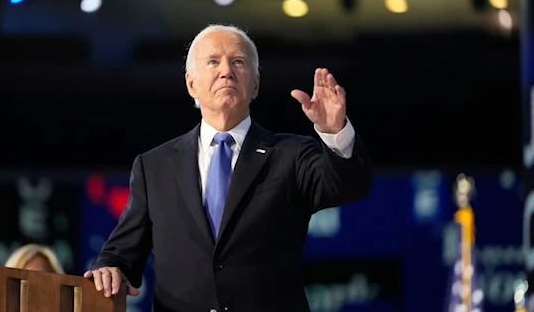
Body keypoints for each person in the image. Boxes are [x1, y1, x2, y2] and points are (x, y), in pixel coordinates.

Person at [84, 24, 373, 312]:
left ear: (256, 84)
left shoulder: (291, 154)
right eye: (213, 62)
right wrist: (109, 267)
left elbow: (350, 184)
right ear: (191, 84)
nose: (226, 71)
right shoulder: (154, 166)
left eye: (238, 62)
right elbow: (120, 253)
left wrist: (336, 132)